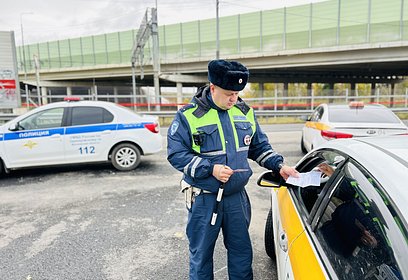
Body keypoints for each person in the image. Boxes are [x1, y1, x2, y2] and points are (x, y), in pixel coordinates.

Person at [167, 59, 298, 280]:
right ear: (212, 88)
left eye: (237, 93)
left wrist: (279, 165)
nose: (233, 99)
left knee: (241, 253)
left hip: (236, 198)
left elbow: (259, 146)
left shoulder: (244, 112)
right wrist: (210, 169)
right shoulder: (188, 116)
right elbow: (176, 154)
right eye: (228, 93)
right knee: (201, 256)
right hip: (204, 199)